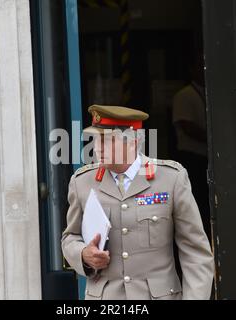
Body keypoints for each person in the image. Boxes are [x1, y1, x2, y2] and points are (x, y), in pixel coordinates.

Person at [61, 105, 214, 300]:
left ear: (133, 142)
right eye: (95, 139)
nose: (97, 147)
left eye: (107, 140)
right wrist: (83, 254)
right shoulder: (82, 181)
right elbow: (70, 237)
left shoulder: (170, 178)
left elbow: (195, 254)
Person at [172, 51, 211, 238]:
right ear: (192, 70)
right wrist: (214, 139)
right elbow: (186, 125)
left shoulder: (212, 92)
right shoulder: (185, 95)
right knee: (197, 202)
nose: (205, 70)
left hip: (207, 157)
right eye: (201, 66)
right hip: (192, 156)